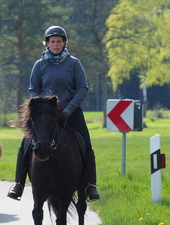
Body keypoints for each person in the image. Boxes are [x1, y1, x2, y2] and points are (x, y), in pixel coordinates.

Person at [7, 25, 100, 202]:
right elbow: (33, 89)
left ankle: (90, 185)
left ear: (64, 43)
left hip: (70, 113)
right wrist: (41, 107)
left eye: (59, 41)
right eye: (52, 42)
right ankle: (18, 184)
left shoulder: (74, 63)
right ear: (47, 44)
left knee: (85, 145)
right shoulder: (39, 65)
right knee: (25, 144)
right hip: (45, 115)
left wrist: (68, 110)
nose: (56, 44)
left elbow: (83, 88)